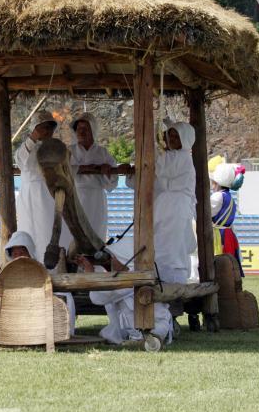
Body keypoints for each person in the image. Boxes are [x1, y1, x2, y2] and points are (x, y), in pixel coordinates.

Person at [130, 119, 197, 284]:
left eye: (176, 136)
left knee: (172, 245)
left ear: (185, 139)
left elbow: (156, 167)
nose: (171, 139)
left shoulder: (181, 157)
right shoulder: (171, 156)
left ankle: (174, 279)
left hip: (175, 207)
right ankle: (162, 275)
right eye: (170, 135)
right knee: (161, 243)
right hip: (166, 206)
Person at [81, 237, 173, 348]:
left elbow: (96, 298)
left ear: (125, 260)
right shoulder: (138, 275)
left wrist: (89, 272)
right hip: (159, 327)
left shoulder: (129, 282)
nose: (112, 260)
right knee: (112, 303)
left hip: (156, 330)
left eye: (115, 257)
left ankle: (141, 338)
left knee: (110, 300)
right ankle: (137, 337)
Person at [0, 230, 76, 334]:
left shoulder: (41, 271)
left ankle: (65, 333)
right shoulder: (6, 273)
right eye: (15, 254)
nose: (19, 257)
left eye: (22, 253)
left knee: (67, 295)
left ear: (30, 252)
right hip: (12, 313)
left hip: (36, 312)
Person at [60, 112, 119, 249]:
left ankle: (95, 267)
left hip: (96, 200)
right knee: (72, 234)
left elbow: (112, 183)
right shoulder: (69, 151)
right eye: (79, 129)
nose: (81, 132)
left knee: (95, 233)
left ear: (93, 130)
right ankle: (73, 267)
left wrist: (106, 171)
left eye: (85, 128)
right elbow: (61, 170)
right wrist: (82, 168)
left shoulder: (102, 153)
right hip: (74, 197)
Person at [15, 110, 59, 262]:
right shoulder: (25, 148)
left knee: (50, 232)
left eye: (49, 127)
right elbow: (21, 160)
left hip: (51, 197)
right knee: (30, 234)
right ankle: (31, 269)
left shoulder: (57, 148)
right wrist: (33, 138)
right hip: (30, 198)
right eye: (42, 127)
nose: (46, 131)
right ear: (35, 128)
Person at [209, 157, 246, 276]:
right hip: (228, 234)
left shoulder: (217, 196)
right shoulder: (229, 197)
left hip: (218, 236)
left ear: (217, 182)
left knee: (217, 265)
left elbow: (206, 213)